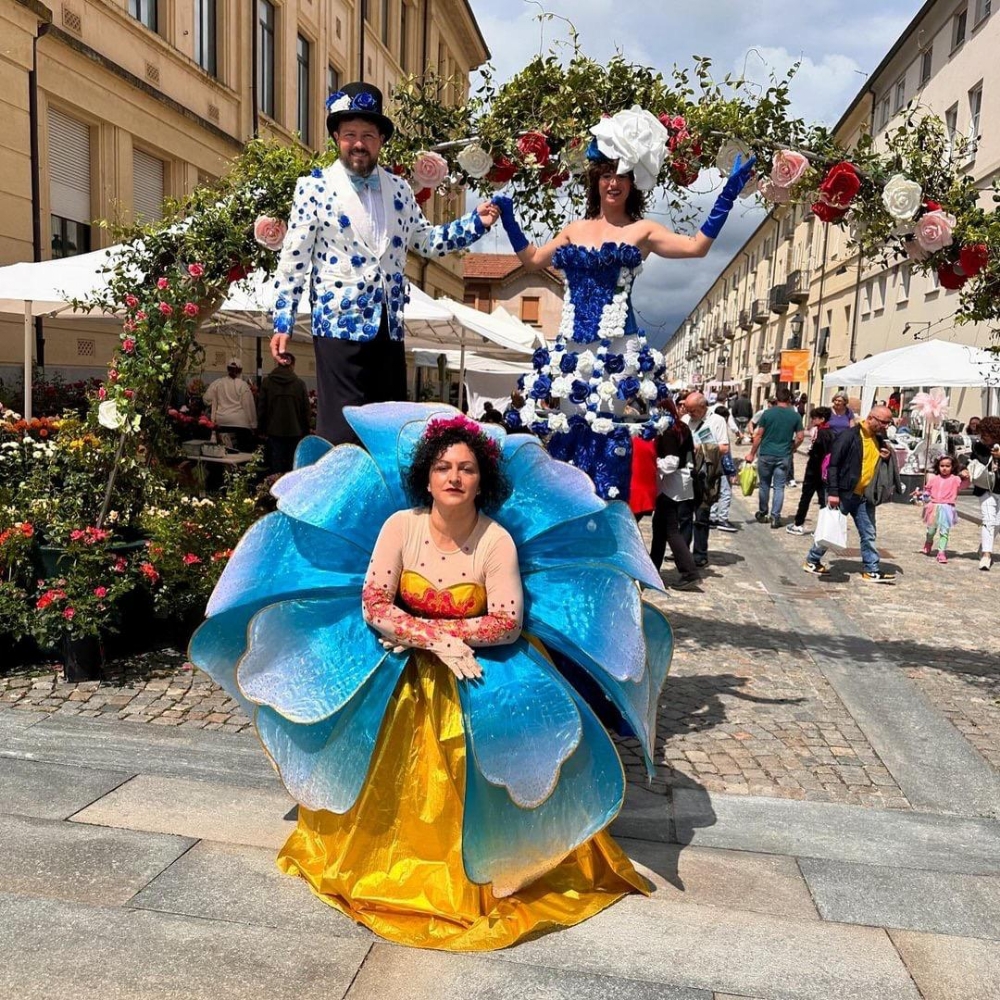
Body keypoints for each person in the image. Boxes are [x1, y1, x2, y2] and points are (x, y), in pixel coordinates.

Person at [189, 403, 668, 950]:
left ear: (482, 477)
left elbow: (507, 623)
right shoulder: (400, 526)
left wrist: (446, 635)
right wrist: (435, 638)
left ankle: (485, 869)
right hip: (404, 673)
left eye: (466, 468)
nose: (454, 478)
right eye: (443, 468)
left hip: (478, 674)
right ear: (427, 477)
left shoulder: (496, 542)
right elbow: (374, 602)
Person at [492, 106, 755, 500]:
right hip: (572, 348)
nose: (613, 183)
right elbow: (532, 260)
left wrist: (728, 195)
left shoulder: (642, 230)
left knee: (607, 432)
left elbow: (697, 247)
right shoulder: (574, 229)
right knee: (568, 431)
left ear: (634, 183)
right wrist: (509, 220)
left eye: (622, 176)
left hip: (617, 349)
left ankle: (603, 516)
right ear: (595, 181)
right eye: (606, 175)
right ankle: (570, 512)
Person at [269, 82, 500, 445]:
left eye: (367, 135)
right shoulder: (313, 188)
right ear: (336, 138)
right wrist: (283, 320)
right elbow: (293, 259)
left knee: (390, 430)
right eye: (349, 135)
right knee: (341, 431)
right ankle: (340, 498)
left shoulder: (400, 190)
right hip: (337, 326)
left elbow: (426, 241)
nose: (358, 143)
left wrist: (476, 223)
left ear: (380, 141)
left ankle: (388, 501)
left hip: (388, 327)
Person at [804, 405, 900, 582]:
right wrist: (833, 492)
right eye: (884, 422)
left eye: (888, 423)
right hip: (844, 493)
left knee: (868, 532)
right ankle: (812, 559)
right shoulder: (849, 436)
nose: (886, 426)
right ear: (872, 418)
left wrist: (885, 456)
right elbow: (834, 464)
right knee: (832, 528)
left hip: (864, 495)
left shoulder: (878, 438)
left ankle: (872, 569)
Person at [650, 404, 701, 589]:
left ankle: (689, 572)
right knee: (660, 528)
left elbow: (672, 462)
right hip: (679, 482)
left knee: (670, 529)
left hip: (673, 483)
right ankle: (653, 569)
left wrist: (651, 461)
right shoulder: (680, 427)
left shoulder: (669, 431)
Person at [745, 387, 804, 528]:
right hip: (783, 455)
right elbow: (800, 437)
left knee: (765, 485)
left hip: (766, 454)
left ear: (776, 398)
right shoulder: (795, 416)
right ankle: (775, 517)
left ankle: (763, 512)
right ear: (789, 399)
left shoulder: (767, 414)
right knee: (779, 487)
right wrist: (793, 448)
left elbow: (758, 435)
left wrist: (752, 453)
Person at [683, 392, 729, 558]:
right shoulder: (686, 420)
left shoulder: (717, 421)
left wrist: (700, 448)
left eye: (693, 410)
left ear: (703, 407)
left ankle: (700, 554)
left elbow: (724, 448)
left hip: (705, 474)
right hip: (685, 473)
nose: (690, 414)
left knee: (702, 515)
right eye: (688, 410)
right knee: (684, 515)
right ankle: (682, 551)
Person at [257, 352, 311, 475]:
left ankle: (274, 492)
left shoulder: (267, 382)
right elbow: (306, 410)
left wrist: (261, 429)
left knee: (275, 466)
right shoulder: (299, 384)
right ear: (292, 365)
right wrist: (306, 430)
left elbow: (261, 408)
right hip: (295, 431)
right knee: (292, 466)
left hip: (273, 431)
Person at [959, 414, 1000, 571]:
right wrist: (964, 469)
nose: (983, 438)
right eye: (982, 435)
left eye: (987, 435)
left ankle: (984, 546)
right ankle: (986, 555)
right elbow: (973, 460)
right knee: (989, 519)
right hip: (985, 488)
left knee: (997, 522)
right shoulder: (979, 446)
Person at [786, 406, 834, 534]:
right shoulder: (830, 432)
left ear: (822, 419)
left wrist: (812, 452)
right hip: (823, 471)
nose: (812, 420)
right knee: (823, 500)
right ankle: (825, 528)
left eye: (814, 418)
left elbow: (819, 452)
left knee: (806, 497)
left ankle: (798, 524)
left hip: (815, 470)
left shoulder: (822, 433)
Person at [202, 358, 257, 452]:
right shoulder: (243, 385)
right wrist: (253, 425)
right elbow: (248, 406)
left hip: (221, 422)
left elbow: (206, 399)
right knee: (244, 451)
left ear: (227, 369)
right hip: (241, 424)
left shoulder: (218, 383)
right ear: (240, 370)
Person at [920, 454, 961, 563]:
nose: (944, 468)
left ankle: (941, 552)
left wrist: (966, 475)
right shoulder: (933, 479)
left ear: (952, 467)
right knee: (931, 530)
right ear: (938, 466)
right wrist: (923, 495)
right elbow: (927, 490)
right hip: (933, 507)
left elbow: (965, 483)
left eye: (947, 466)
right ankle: (928, 542)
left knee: (944, 531)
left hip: (947, 508)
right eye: (942, 465)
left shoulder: (955, 479)